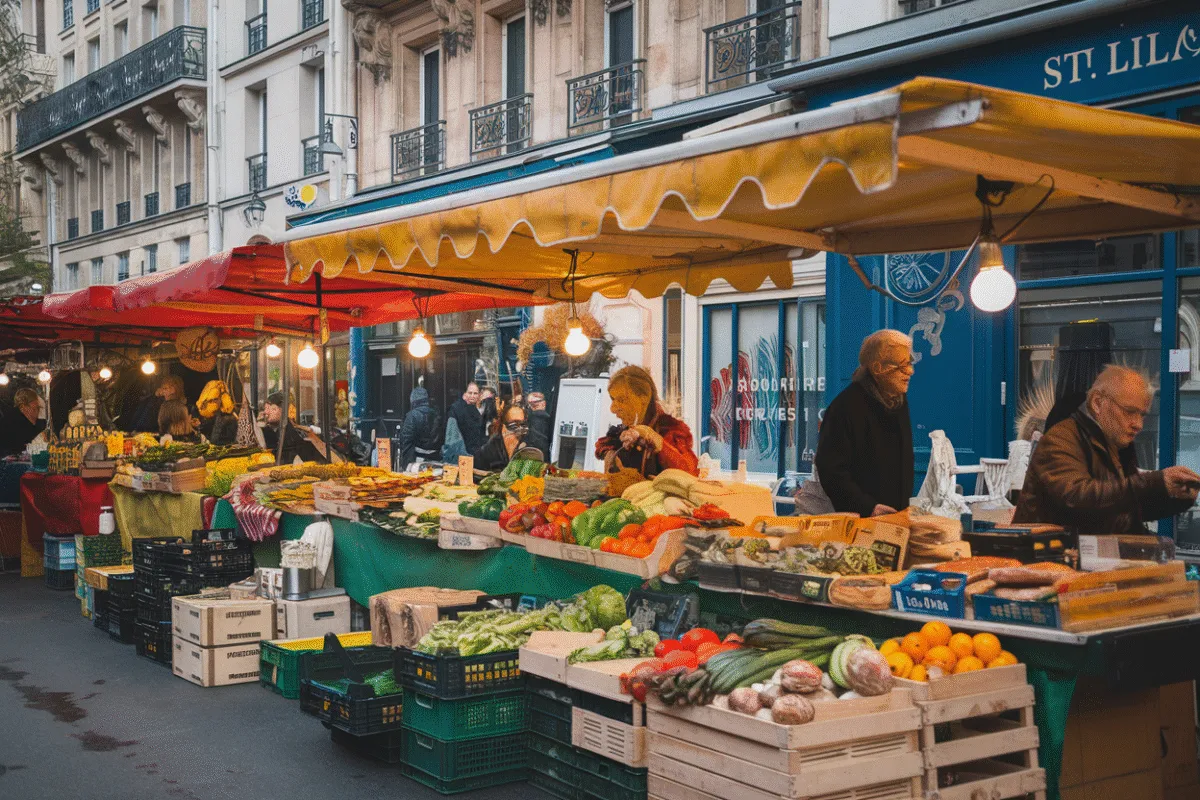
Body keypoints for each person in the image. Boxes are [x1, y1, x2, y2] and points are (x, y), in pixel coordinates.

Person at [1013, 365, 1199, 534]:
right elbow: (1077, 499)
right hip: (1046, 560)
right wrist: (1154, 483)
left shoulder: (1116, 445)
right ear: (1097, 403)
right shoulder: (1061, 439)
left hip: (1087, 558)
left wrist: (1175, 496)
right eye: (1129, 411)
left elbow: (1125, 508)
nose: (1138, 424)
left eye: (1141, 415)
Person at [815, 330, 915, 518]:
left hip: (896, 517)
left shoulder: (898, 401)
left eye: (909, 363)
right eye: (902, 366)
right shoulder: (845, 407)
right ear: (877, 368)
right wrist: (868, 506)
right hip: (861, 520)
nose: (910, 372)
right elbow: (831, 469)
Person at [595, 365, 698, 478]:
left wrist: (657, 441)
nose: (613, 409)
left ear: (645, 397)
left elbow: (690, 473)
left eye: (622, 400)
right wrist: (608, 453)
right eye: (613, 399)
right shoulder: (627, 429)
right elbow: (604, 444)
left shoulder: (672, 429)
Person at [473, 404, 550, 471]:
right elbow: (478, 468)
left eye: (522, 423)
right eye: (514, 423)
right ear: (504, 425)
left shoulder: (535, 443)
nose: (519, 427)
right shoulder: (491, 446)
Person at [261, 392, 325, 465]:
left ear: (283, 411)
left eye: (273, 409)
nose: (266, 412)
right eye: (266, 408)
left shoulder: (293, 434)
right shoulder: (267, 431)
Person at [398, 386, 442, 469]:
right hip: (436, 460)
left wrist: (405, 464)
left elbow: (406, 441)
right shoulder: (436, 414)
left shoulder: (412, 416)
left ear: (413, 401)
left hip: (416, 461)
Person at [1, 388, 45, 457]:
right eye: (34, 408)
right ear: (23, 406)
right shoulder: (12, 420)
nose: (37, 411)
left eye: (38, 408)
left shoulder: (14, 416)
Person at [446, 383, 486, 456]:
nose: (472, 396)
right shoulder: (456, 408)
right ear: (465, 394)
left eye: (475, 393)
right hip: (462, 454)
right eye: (470, 393)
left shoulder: (473, 408)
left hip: (473, 453)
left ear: (479, 395)